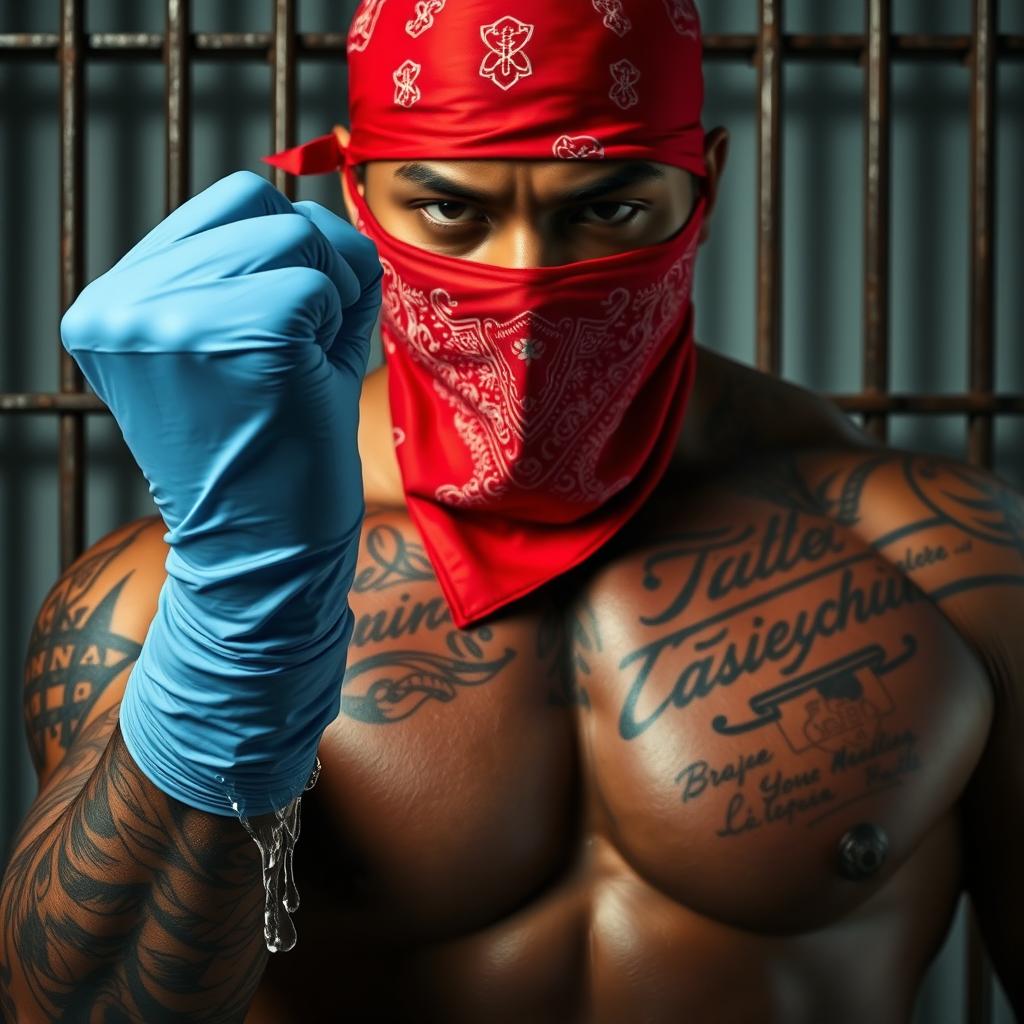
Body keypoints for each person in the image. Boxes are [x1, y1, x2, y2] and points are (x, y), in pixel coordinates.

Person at [2, 1, 1021, 1021]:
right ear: (358, 191)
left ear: (699, 185)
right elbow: (85, 1009)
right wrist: (238, 609)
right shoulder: (158, 597)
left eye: (607, 209)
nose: (524, 283)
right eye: (450, 210)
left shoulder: (938, 558)